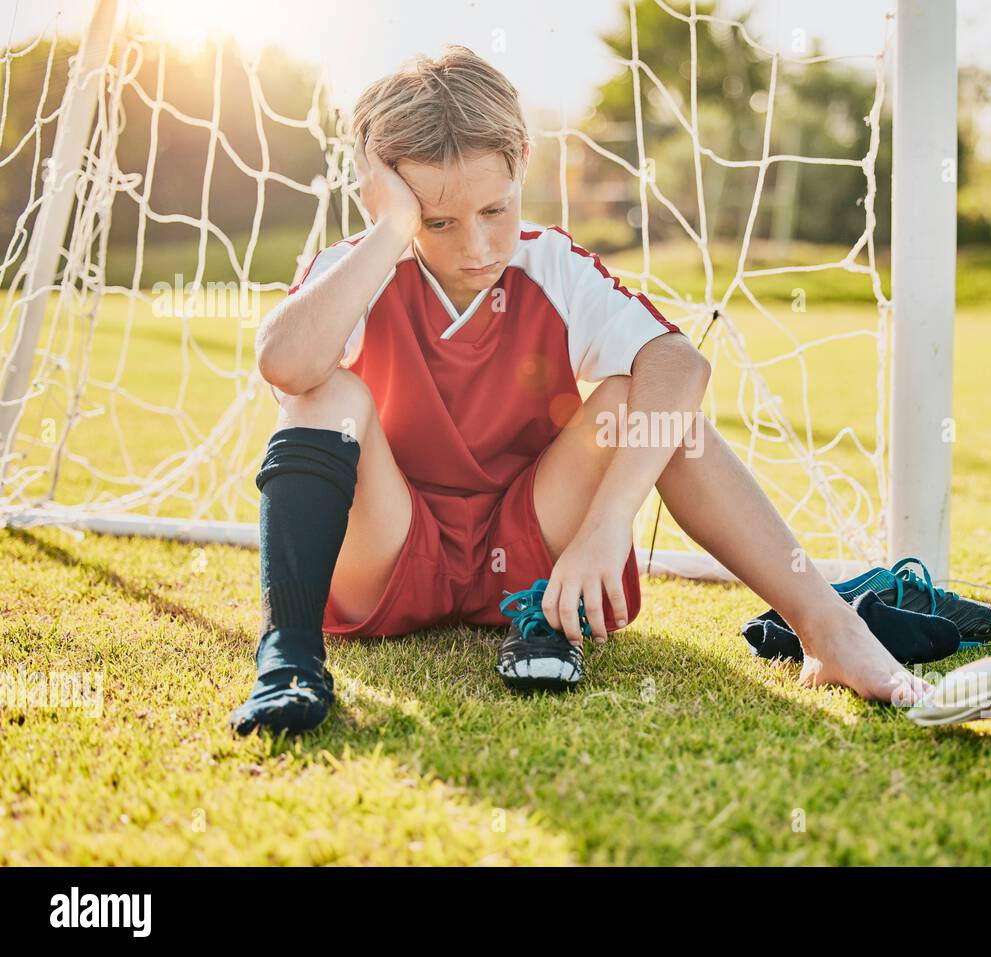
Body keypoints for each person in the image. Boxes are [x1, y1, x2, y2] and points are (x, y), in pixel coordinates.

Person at [230, 45, 933, 735]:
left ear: (524, 162)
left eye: (494, 211)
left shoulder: (550, 265)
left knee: (652, 408)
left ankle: (828, 628)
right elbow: (286, 365)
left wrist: (604, 528)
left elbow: (679, 365)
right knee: (325, 395)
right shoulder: (354, 270)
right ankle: (288, 656)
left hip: (539, 564)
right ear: (384, 199)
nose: (475, 247)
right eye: (438, 222)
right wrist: (392, 233)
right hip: (387, 559)